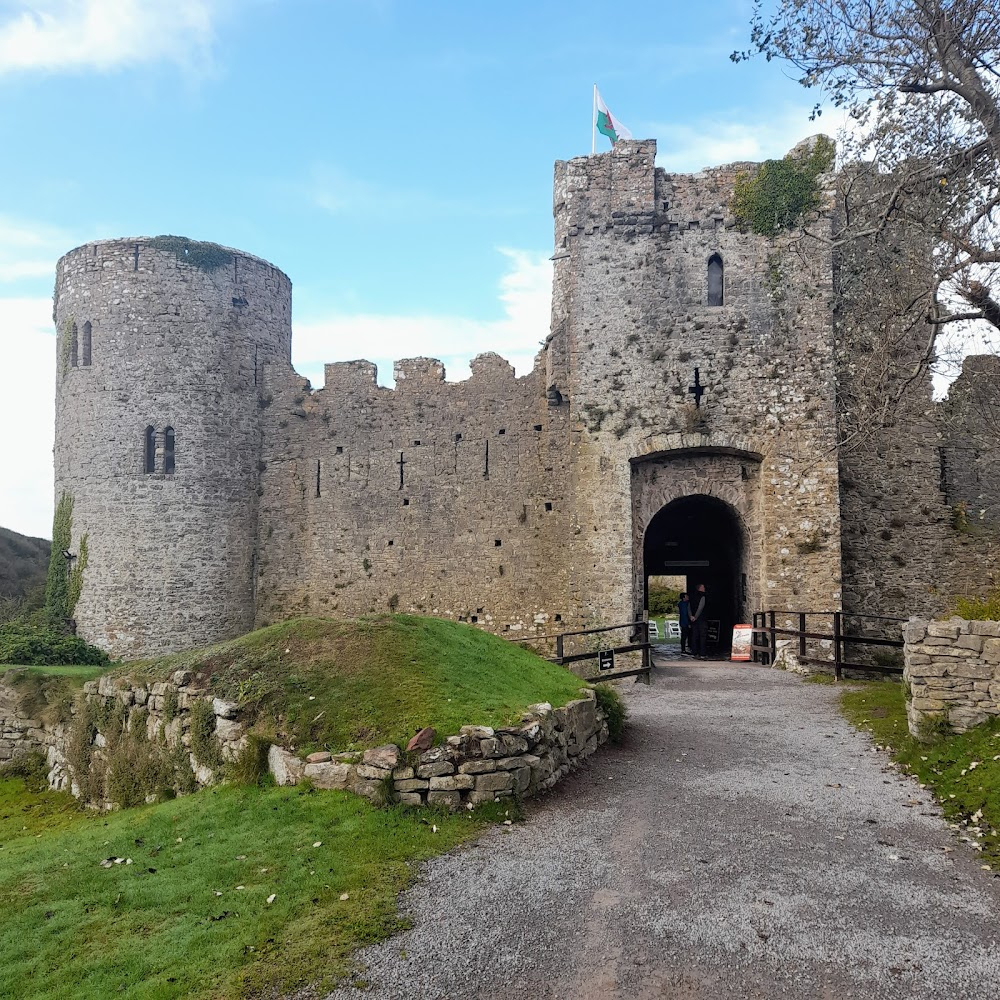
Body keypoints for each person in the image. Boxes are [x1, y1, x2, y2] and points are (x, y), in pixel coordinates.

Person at [690, 583, 708, 659]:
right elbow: (701, 607)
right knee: (702, 636)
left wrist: (691, 616)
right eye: (703, 587)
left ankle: (694, 652)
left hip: (693, 618)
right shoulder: (703, 596)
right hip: (701, 618)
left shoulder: (692, 596)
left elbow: (689, 606)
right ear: (700, 588)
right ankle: (702, 653)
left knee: (695, 636)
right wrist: (696, 617)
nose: (704, 588)